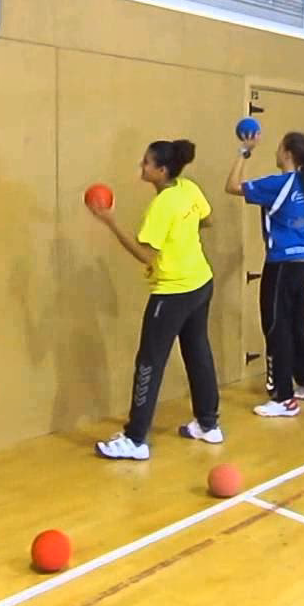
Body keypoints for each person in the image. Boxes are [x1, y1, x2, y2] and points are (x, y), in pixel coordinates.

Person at [88, 140, 222, 460]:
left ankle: (135, 439)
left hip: (173, 292)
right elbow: (207, 219)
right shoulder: (188, 188)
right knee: (197, 350)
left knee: (149, 361)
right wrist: (183, 235)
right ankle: (208, 424)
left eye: (146, 163)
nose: (141, 166)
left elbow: (146, 255)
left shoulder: (162, 206)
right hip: (201, 282)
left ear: (161, 170)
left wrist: (110, 222)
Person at [225, 131, 304, 417]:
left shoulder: (279, 183)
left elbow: (232, 186)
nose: (275, 151)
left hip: (282, 263)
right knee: (296, 322)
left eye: (278, 148)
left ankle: (283, 398)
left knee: (276, 326)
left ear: (286, 153)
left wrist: (244, 151)